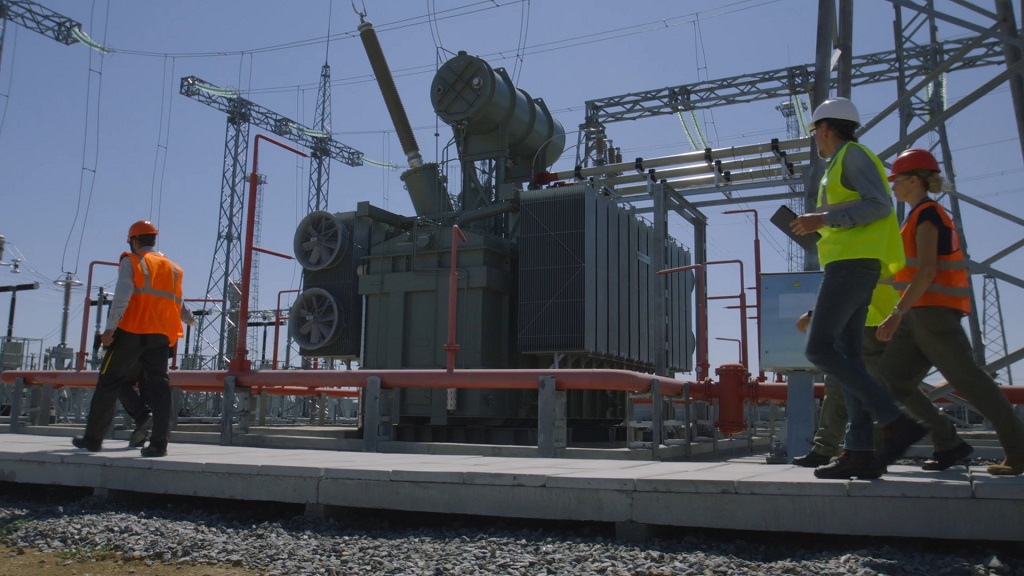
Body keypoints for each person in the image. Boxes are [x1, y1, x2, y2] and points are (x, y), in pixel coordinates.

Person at [790, 96, 926, 480]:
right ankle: (860, 452)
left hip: (853, 265)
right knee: (848, 358)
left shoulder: (853, 155)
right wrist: (821, 222)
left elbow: (879, 205)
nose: (814, 138)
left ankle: (894, 421)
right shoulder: (840, 163)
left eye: (815, 131)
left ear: (825, 129)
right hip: (851, 264)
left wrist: (825, 219)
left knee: (819, 348)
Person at [876, 148, 1024, 476]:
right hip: (919, 313)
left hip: (934, 314)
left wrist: (896, 312)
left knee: (971, 382)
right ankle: (948, 442)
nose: (894, 186)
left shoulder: (928, 215)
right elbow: (909, 270)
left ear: (914, 180)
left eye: (897, 180)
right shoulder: (916, 217)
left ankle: (1018, 451)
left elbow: (927, 271)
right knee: (892, 378)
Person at [791, 283, 974, 470]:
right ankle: (824, 450)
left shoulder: (865, 257)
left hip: (875, 323)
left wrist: (817, 313)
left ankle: (947, 440)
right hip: (865, 321)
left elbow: (852, 282)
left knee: (893, 387)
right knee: (840, 385)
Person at [73, 220, 194, 457]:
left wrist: (110, 328)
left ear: (134, 240)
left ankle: (93, 439)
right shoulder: (173, 268)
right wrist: (190, 319)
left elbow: (122, 295)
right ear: (153, 240)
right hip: (160, 336)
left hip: (131, 331)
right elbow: (176, 301)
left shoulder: (133, 261)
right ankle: (159, 445)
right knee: (161, 387)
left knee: (109, 381)